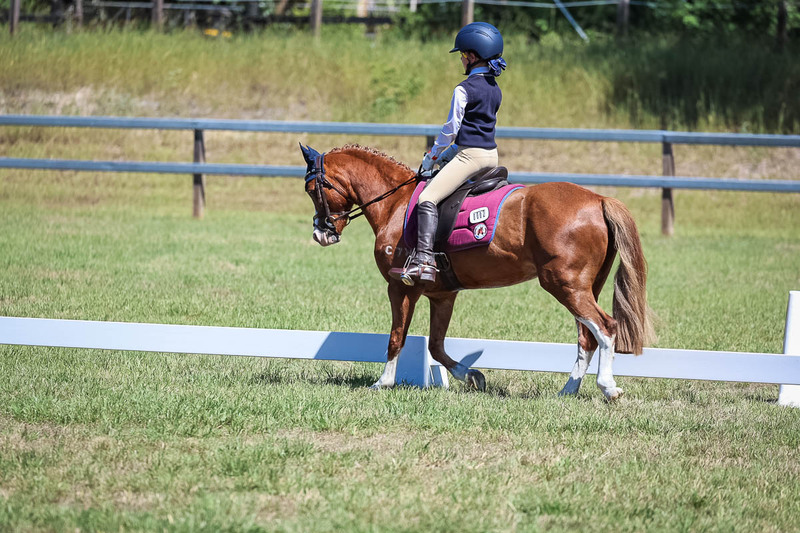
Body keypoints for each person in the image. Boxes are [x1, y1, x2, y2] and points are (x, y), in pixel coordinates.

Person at [390, 21, 507, 286]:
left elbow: (451, 129)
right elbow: (476, 130)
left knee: (428, 197)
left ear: (473, 57)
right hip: (490, 155)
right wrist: (448, 154)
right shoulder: (494, 89)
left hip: (471, 158)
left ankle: (424, 261)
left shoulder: (463, 89)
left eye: (464, 55)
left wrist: (433, 154)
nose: (462, 60)